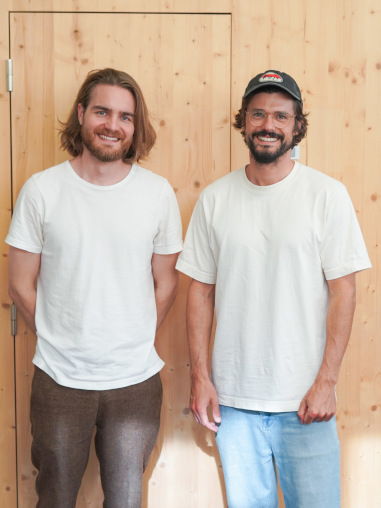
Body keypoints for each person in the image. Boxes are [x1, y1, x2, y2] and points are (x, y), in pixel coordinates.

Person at [176, 70, 371, 507]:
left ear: (297, 125)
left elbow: (344, 292)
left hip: (306, 402)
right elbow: (199, 293)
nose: (269, 124)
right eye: (258, 113)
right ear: (243, 121)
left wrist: (327, 382)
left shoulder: (327, 195)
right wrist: (201, 377)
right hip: (235, 404)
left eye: (281, 116)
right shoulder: (215, 199)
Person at [6, 68, 183, 508]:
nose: (112, 124)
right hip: (59, 376)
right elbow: (19, 284)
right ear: (82, 113)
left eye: (125, 116)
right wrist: (58, 337)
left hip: (135, 379)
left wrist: (134, 335)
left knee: (125, 501)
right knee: (55, 497)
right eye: (102, 111)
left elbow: (166, 284)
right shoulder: (42, 191)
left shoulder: (157, 194)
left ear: (134, 127)